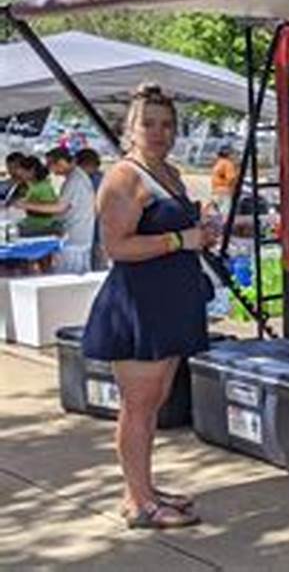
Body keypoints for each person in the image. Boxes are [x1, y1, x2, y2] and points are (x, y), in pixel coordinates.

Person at [80, 83, 215, 529]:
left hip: (172, 301)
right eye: (149, 124)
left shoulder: (171, 172)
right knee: (138, 404)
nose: (159, 133)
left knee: (154, 399)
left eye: (167, 124)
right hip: (137, 305)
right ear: (130, 128)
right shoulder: (125, 176)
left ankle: (142, 488)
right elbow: (116, 246)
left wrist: (198, 232)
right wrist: (181, 239)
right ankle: (138, 504)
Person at [34, 147, 96, 273]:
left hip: (75, 239)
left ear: (61, 162)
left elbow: (60, 208)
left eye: (50, 165)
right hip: (77, 236)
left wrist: (26, 205)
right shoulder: (74, 177)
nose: (50, 170)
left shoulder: (75, 180)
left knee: (68, 280)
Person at [14, 155, 60, 235]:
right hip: (31, 222)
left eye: (23, 172)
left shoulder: (44, 187)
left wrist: (27, 205)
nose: (20, 174)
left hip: (42, 226)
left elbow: (50, 209)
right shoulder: (33, 185)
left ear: (31, 170)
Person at [210, 146, 238, 216]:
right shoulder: (228, 164)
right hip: (225, 192)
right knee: (225, 214)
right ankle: (224, 226)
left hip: (216, 190)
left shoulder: (219, 163)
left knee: (217, 214)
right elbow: (231, 179)